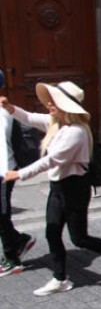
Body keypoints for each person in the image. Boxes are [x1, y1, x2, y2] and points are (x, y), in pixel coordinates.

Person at [1, 82, 101, 296]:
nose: (49, 104)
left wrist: (20, 174)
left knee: (79, 238)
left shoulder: (76, 132)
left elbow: (51, 161)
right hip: (57, 187)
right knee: (52, 232)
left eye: (55, 101)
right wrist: (10, 108)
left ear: (67, 105)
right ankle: (60, 278)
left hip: (75, 188)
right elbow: (30, 118)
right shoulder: (57, 123)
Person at [0, 103, 36, 276]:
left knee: (1, 215)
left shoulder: (2, 113)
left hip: (4, 172)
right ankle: (19, 240)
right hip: (7, 168)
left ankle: (12, 260)